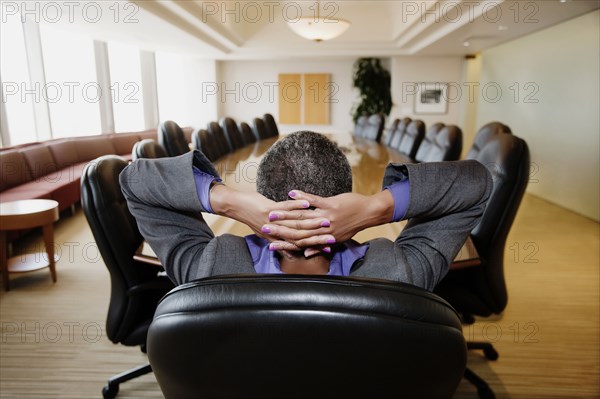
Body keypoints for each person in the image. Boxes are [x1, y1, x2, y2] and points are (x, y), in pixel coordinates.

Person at [120, 131, 492, 291]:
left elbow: (134, 180)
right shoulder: (399, 274)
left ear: (264, 201)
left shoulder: (211, 267)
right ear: (345, 198)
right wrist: (376, 208)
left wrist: (231, 201)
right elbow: (475, 183)